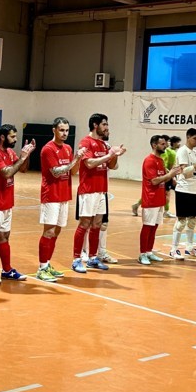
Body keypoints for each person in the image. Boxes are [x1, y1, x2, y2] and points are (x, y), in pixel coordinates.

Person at [0, 124, 34, 284]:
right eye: (12, 136)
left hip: (6, 201)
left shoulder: (10, 152)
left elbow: (23, 169)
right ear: (2, 137)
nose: (15, 139)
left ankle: (7, 270)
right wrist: (21, 158)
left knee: (4, 236)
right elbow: (7, 173)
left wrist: (27, 155)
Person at [73, 113, 125, 274]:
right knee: (84, 224)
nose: (107, 127)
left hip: (102, 191)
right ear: (95, 125)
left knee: (97, 224)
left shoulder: (103, 144)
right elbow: (89, 164)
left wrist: (115, 155)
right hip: (88, 190)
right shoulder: (85, 142)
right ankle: (76, 259)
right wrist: (110, 155)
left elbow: (111, 165)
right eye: (104, 124)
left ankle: (93, 258)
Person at [36, 117, 86, 282]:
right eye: (61, 130)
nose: (64, 133)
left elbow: (73, 172)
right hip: (51, 195)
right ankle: (42, 268)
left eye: (67, 131)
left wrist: (78, 159)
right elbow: (56, 172)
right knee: (49, 231)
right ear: (54, 130)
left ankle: (47, 263)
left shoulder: (67, 148)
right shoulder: (48, 149)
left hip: (64, 195)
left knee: (56, 231)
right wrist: (74, 160)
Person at [139, 135, 183, 264]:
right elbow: (154, 181)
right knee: (147, 226)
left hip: (159, 199)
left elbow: (164, 177)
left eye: (165, 144)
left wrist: (173, 175)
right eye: (162, 144)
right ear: (154, 145)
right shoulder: (149, 160)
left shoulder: (160, 160)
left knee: (154, 227)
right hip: (150, 199)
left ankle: (149, 251)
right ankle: (142, 254)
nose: (165, 146)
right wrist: (170, 174)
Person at [170, 128, 196, 260]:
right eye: (195, 138)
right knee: (181, 221)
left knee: (192, 221)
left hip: (194, 189)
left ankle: (189, 247)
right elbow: (185, 172)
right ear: (188, 137)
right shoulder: (182, 151)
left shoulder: (195, 153)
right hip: (183, 189)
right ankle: (173, 249)